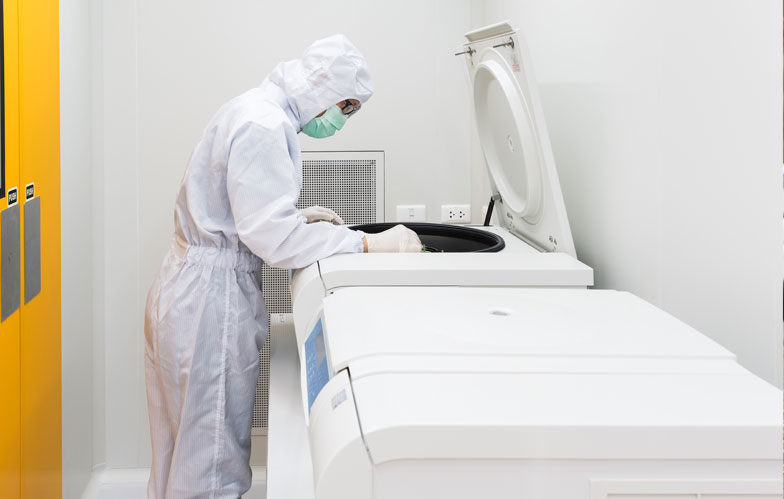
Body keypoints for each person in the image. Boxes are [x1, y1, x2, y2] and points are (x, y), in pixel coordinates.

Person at [143, 34, 422, 499]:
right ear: (321, 87)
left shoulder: (251, 109)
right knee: (210, 466)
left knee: (179, 453)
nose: (342, 120)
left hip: (187, 287)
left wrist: (296, 215)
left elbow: (240, 211)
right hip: (209, 303)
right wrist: (366, 244)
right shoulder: (265, 125)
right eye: (345, 107)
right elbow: (273, 238)